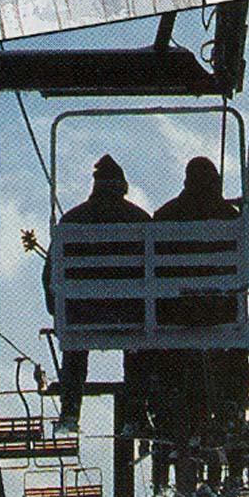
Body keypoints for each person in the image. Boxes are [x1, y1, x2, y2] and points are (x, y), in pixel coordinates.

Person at [153, 157, 249, 472]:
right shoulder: (231, 217)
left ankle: (174, 408)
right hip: (219, 312)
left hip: (176, 312)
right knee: (230, 340)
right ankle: (232, 401)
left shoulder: (165, 216)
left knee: (176, 353)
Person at [42, 154, 151, 433]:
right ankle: (135, 414)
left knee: (76, 344)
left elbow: (50, 275)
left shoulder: (70, 222)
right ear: (122, 187)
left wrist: (58, 309)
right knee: (138, 346)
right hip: (132, 313)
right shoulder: (141, 220)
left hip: (82, 314)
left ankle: (70, 412)